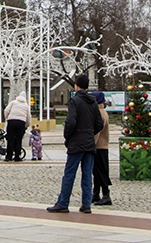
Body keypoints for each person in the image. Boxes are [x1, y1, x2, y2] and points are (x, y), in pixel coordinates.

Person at [47, 74, 103, 214]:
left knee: (70, 174)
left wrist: (68, 136)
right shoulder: (93, 102)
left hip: (77, 141)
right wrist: (90, 132)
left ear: (76, 86)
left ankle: (63, 202)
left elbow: (70, 122)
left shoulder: (75, 101)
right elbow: (99, 124)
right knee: (87, 174)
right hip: (89, 142)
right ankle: (86, 204)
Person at [91, 91, 112, 205]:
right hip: (102, 145)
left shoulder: (99, 113)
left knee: (101, 171)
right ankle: (96, 192)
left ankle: (105, 194)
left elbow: (97, 132)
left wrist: (91, 145)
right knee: (98, 171)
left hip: (99, 146)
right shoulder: (102, 111)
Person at [4, 92, 31, 162]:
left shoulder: (13, 102)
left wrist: (7, 117)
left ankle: (8, 156)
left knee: (10, 139)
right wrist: (27, 125)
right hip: (21, 122)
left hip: (11, 121)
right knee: (18, 139)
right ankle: (17, 156)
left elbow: (6, 110)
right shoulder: (26, 105)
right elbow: (28, 117)